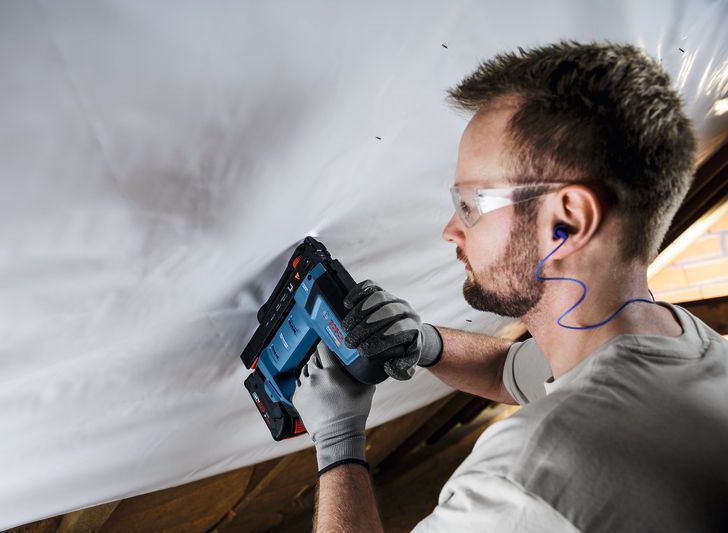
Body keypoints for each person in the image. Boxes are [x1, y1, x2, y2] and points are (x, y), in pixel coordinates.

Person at [292, 41, 728, 532]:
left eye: (470, 206)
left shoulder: (524, 482)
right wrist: (423, 344)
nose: (451, 231)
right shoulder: (689, 345)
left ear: (567, 221)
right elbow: (509, 372)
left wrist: (338, 442)